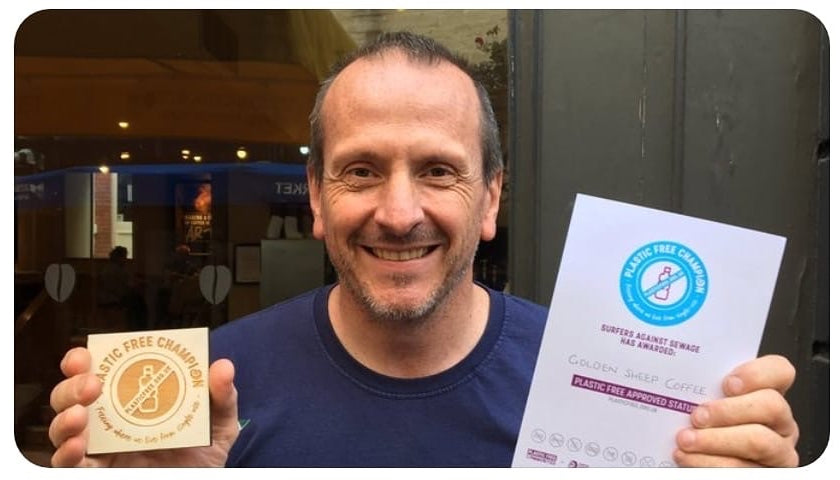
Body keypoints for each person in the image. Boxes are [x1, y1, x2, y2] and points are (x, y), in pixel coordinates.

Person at [48, 32, 799, 468]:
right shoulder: (209, 394)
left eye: (438, 170)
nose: (399, 213)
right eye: (362, 170)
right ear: (315, 197)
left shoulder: (608, 385)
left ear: (492, 199)